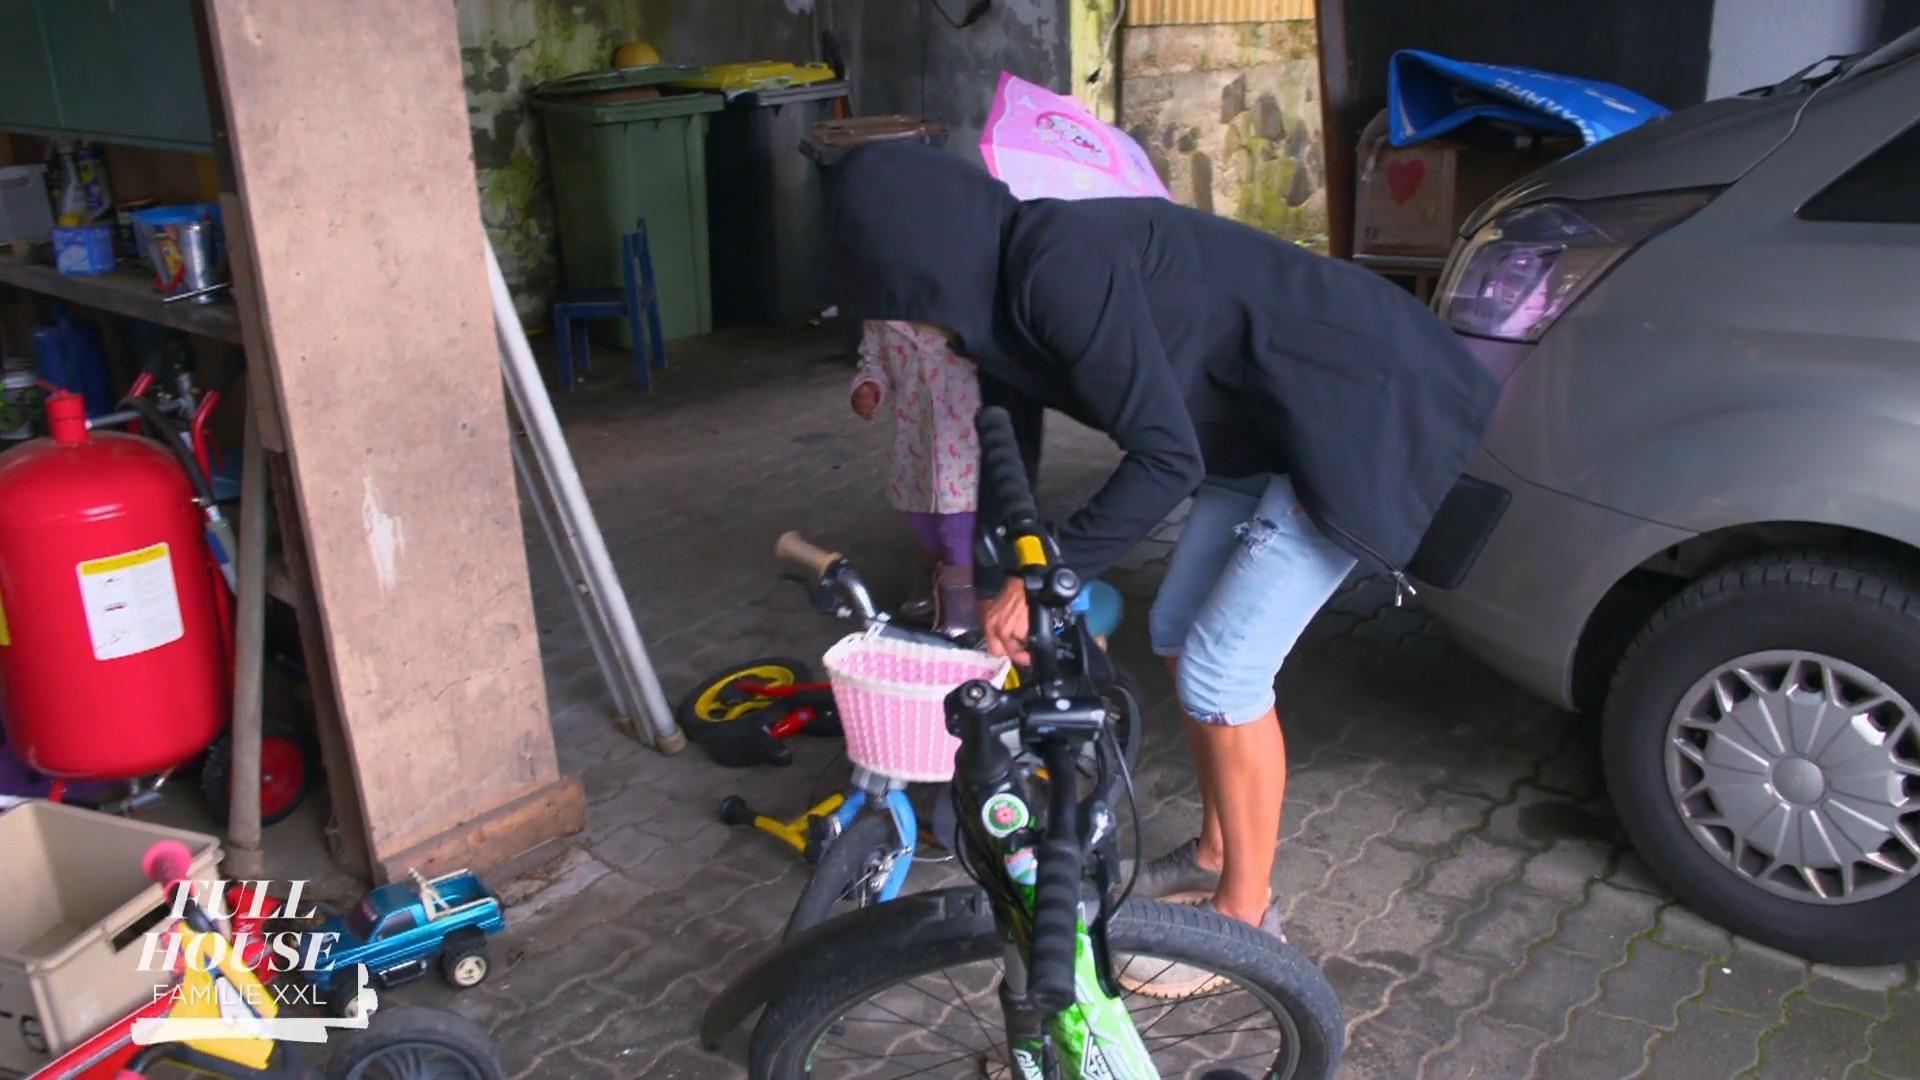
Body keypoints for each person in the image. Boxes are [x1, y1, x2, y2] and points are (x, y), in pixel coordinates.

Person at [826, 142, 1499, 941]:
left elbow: (1165, 461)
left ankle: (1246, 921)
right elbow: (1007, 445)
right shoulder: (994, 303)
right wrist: (1016, 567)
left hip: (1355, 412)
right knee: (1177, 629)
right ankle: (1218, 853)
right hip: (1260, 422)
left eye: (901, 292)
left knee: (1225, 670)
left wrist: (1052, 577)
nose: (906, 317)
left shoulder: (1056, 268)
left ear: (926, 253)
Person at [850, 318, 982, 634]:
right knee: (922, 515)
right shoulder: (882, 316)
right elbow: (874, 361)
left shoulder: (958, 304)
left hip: (965, 436)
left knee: (957, 525)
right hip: (916, 441)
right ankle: (933, 574)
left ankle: (962, 609)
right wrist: (868, 386)